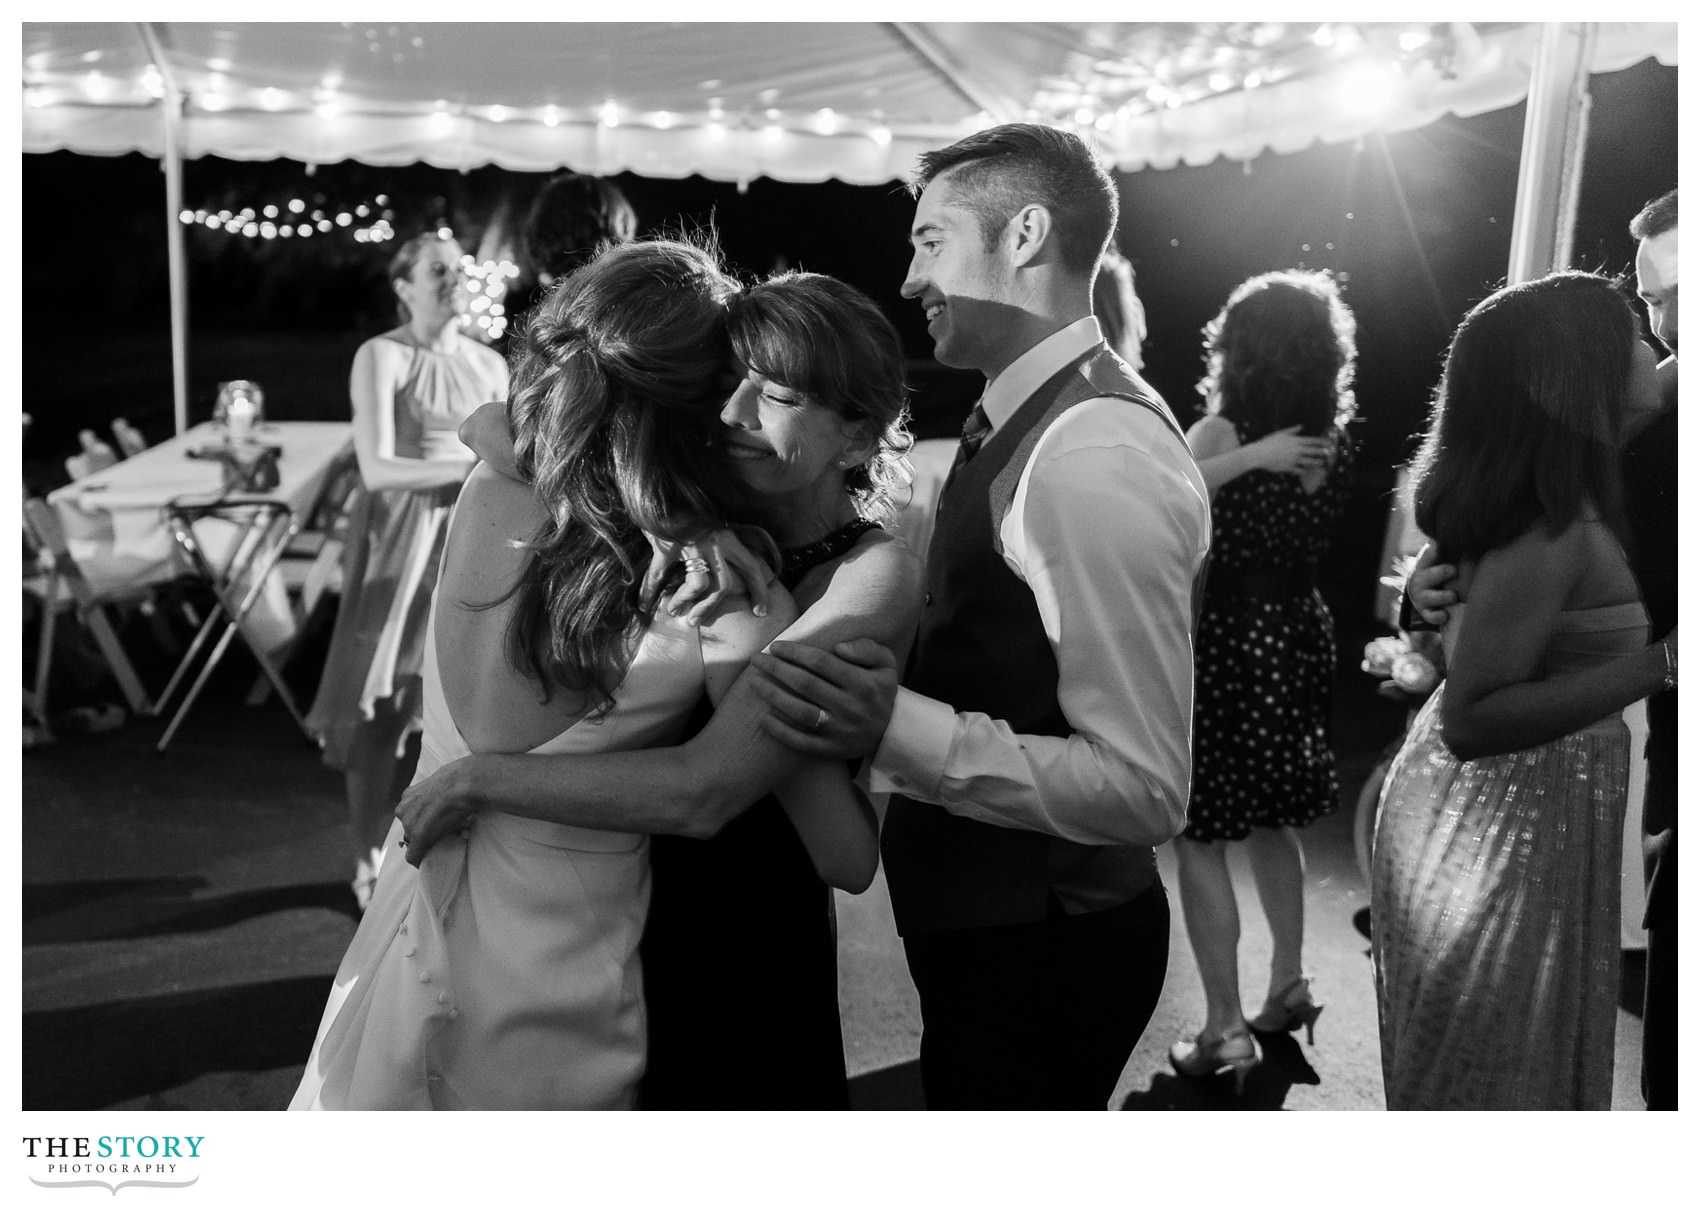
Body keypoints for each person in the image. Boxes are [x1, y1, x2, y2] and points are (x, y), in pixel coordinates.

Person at [292, 239, 876, 1110]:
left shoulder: (491, 480)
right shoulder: (720, 590)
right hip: (565, 967)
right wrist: (871, 725)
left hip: (423, 903)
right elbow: (841, 850)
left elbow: (496, 427)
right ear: (699, 399)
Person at [744, 123, 1212, 1109]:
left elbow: (1141, 789)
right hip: (994, 924)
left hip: (1046, 939)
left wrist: (892, 724)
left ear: (1024, 234)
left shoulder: (1088, 452)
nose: (909, 279)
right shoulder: (1021, 408)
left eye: (927, 243)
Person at [1370, 271, 1674, 1110]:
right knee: (1498, 1078)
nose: (1658, 343)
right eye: (1635, 328)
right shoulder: (1553, 524)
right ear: (1580, 374)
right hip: (1498, 813)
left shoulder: (1561, 494)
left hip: (1527, 809)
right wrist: (1668, 661)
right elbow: (1472, 719)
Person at [1167, 270, 1357, 1090]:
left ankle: (1222, 1027)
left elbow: (1162, 491)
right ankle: (1287, 986)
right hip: (1298, 633)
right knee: (1275, 819)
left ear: (1240, 350)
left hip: (1231, 638)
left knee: (1200, 829)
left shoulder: (1219, 432)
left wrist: (1247, 456)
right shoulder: (1330, 440)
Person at [303, 232, 509, 910]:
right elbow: (377, 467)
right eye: (436, 270)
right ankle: (364, 852)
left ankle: (428, 843)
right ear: (404, 286)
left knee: (460, 696)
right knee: (382, 705)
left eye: (458, 268)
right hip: (401, 538)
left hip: (471, 539)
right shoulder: (383, 355)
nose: (451, 279)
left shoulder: (488, 364)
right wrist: (477, 465)